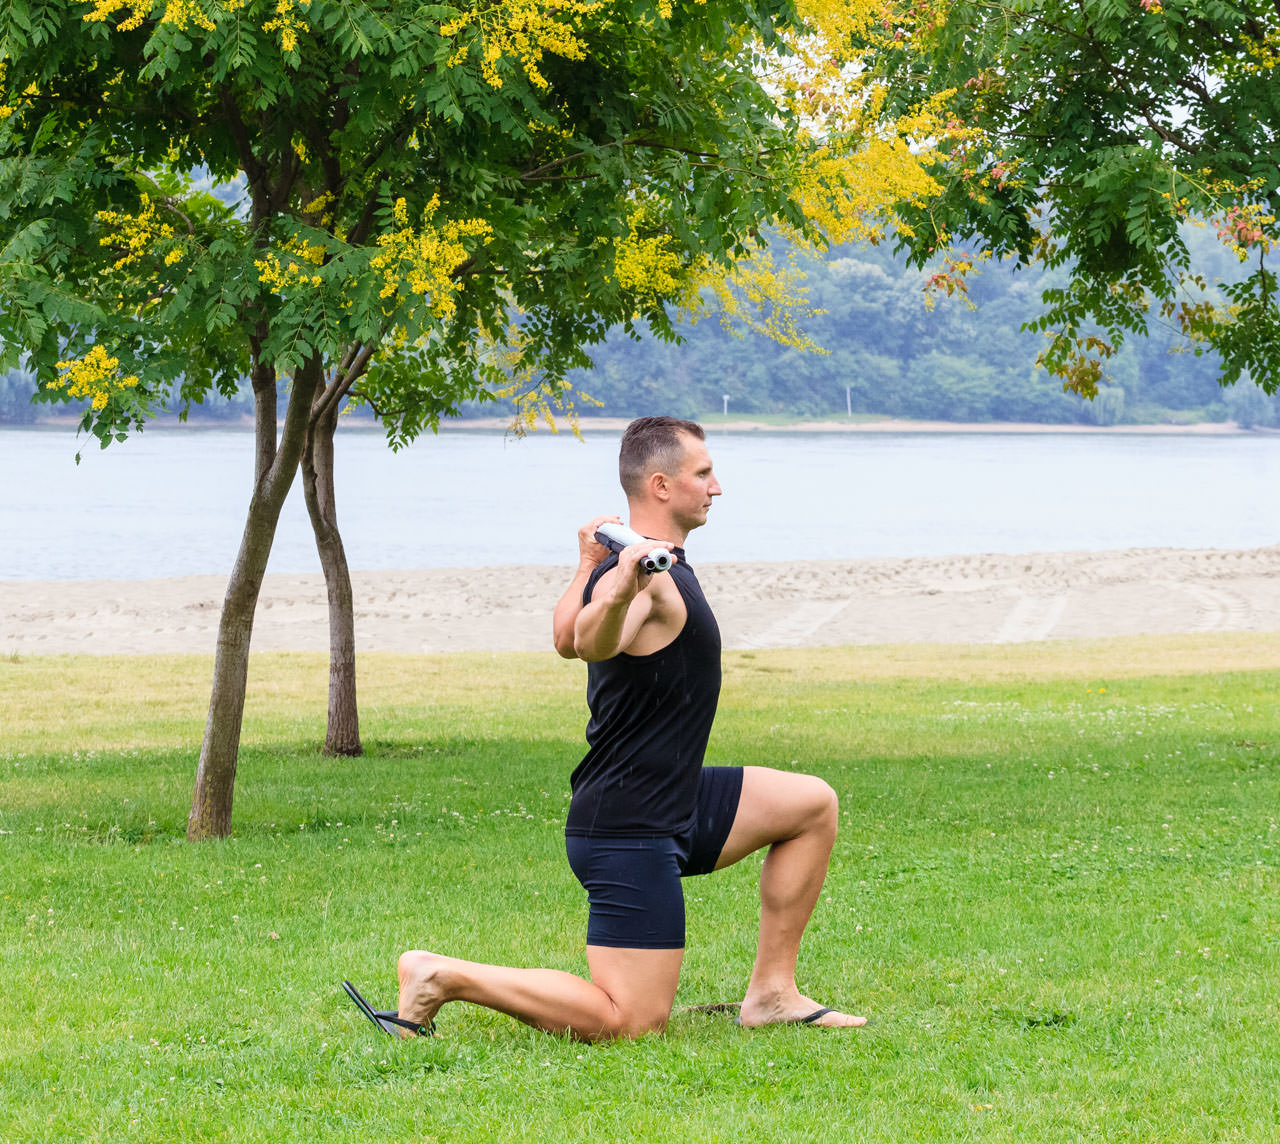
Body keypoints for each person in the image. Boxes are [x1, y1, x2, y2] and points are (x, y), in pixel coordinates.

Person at [394, 416, 865, 1038]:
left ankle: (773, 993)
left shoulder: (637, 560)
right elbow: (587, 643)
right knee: (635, 1020)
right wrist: (618, 585)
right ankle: (442, 976)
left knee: (811, 804)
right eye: (704, 474)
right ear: (662, 485)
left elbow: (561, 637)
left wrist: (589, 561)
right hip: (628, 823)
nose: (717, 487)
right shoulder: (645, 581)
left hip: (675, 797)